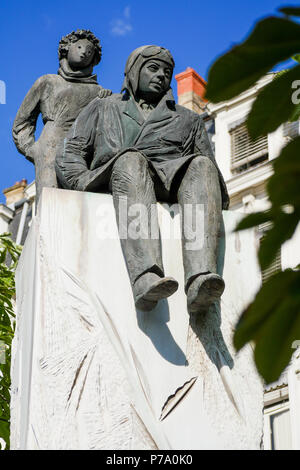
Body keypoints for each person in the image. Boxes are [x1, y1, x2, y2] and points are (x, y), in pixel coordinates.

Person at [56, 45, 229, 314]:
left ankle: (200, 278)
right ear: (134, 72)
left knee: (203, 165)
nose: (161, 75)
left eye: (167, 71)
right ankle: (145, 276)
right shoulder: (103, 107)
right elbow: (70, 152)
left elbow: (210, 174)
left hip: (171, 180)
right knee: (131, 160)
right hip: (117, 175)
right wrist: (81, 183)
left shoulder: (189, 120)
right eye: (153, 68)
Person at [12, 29, 111, 205]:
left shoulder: (98, 91)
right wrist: (32, 149)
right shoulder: (48, 81)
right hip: (50, 145)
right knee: (50, 203)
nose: (83, 53)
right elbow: (23, 122)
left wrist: (106, 102)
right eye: (79, 47)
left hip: (82, 150)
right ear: (66, 49)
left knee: (82, 204)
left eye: (89, 51)